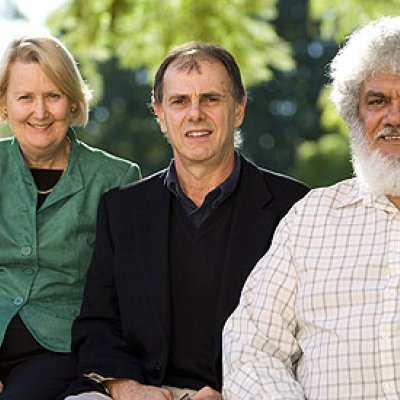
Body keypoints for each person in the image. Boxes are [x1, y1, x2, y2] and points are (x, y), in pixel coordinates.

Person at [61, 41, 308, 400]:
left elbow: (307, 331)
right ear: (160, 115)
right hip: (141, 391)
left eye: (211, 99)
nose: (195, 114)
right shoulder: (122, 209)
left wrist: (236, 391)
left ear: (238, 109)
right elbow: (98, 325)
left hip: (249, 391)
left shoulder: (294, 207)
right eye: (179, 101)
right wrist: (127, 389)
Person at [223, 16, 400, 400]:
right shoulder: (311, 218)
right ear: (357, 115)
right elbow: (250, 347)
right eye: (377, 101)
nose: (394, 117)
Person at [0, 35, 141, 400]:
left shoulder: (116, 179)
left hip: (60, 349)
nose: (40, 112)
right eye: (25, 97)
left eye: (53, 96)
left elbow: (125, 294)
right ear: (4, 104)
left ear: (74, 101)